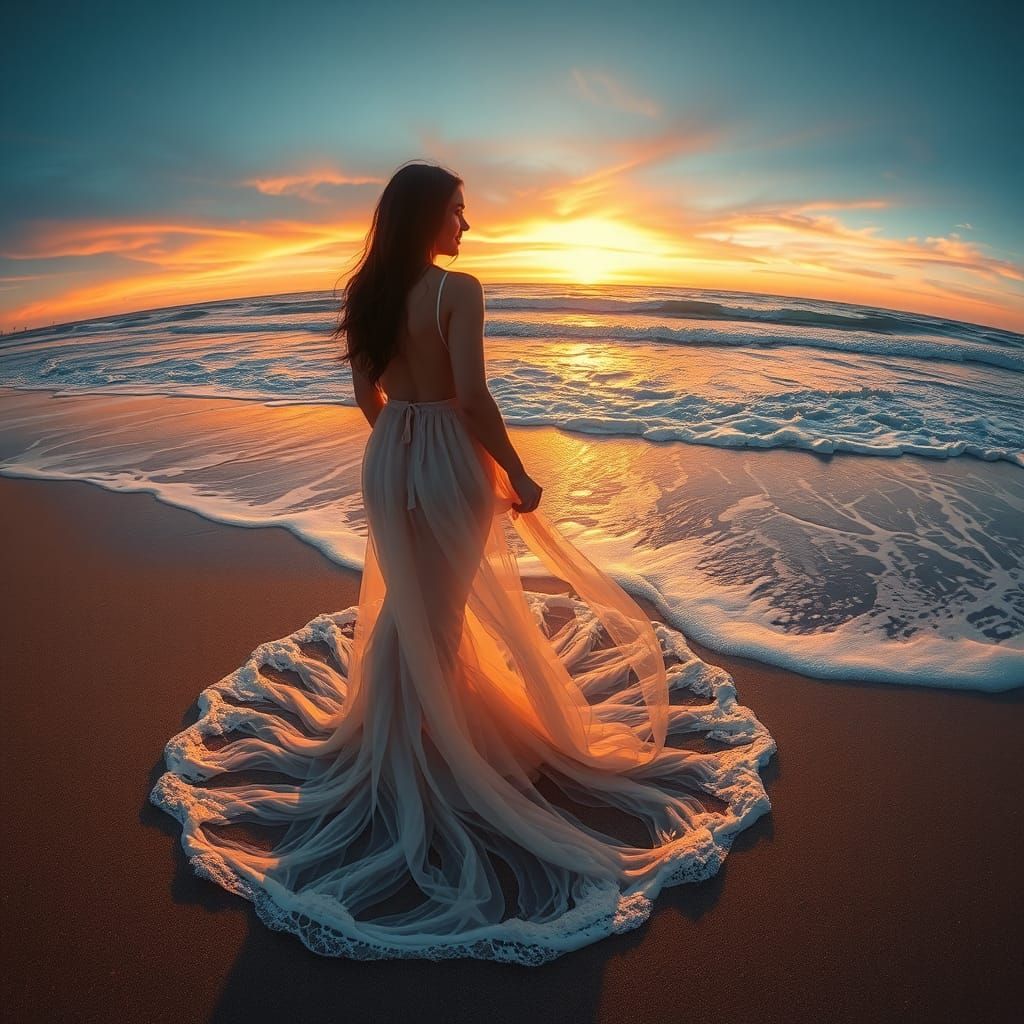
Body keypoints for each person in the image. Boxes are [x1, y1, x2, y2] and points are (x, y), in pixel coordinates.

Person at [148, 161, 773, 967]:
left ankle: (392, 737)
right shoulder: (458, 289)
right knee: (438, 610)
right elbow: (473, 399)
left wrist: (400, 443)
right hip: (448, 456)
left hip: (392, 454)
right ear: (426, 217)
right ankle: (426, 758)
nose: (465, 225)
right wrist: (516, 471)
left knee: (412, 602)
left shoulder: (366, 292)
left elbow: (366, 396)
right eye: (456, 210)